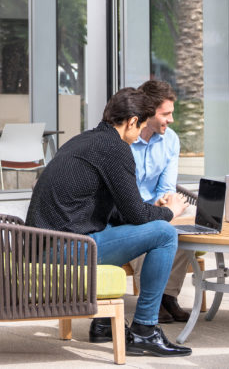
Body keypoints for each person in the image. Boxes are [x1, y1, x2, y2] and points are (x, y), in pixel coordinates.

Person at [25, 88, 193, 358]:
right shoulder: (115, 149)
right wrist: (170, 213)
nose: (139, 135)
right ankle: (145, 330)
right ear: (131, 122)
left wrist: (150, 210)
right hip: (64, 249)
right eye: (139, 127)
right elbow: (137, 216)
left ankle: (103, 323)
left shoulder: (88, 140)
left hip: (45, 245)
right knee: (164, 234)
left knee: (117, 227)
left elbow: (120, 212)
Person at [122, 81, 199, 324]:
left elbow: (167, 186)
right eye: (166, 114)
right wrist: (155, 209)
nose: (171, 120)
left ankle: (167, 295)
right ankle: (151, 298)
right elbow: (123, 195)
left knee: (197, 218)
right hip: (128, 210)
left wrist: (166, 201)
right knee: (153, 228)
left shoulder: (171, 140)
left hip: (156, 205)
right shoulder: (124, 140)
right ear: (148, 112)